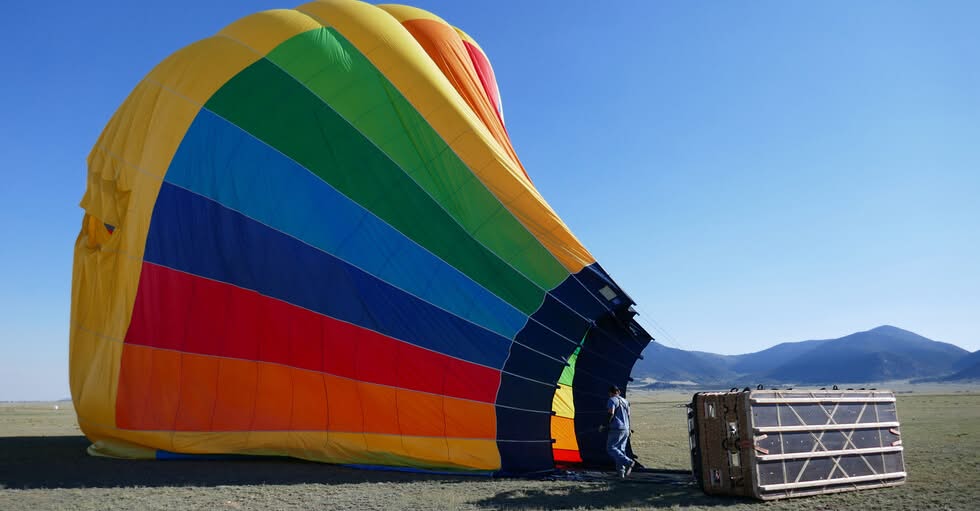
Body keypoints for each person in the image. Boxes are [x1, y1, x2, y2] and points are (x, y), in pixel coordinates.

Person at [600, 385, 635, 478]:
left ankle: (629, 462)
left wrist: (604, 425)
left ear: (610, 393)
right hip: (626, 429)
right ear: (618, 392)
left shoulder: (612, 400)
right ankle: (621, 474)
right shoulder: (626, 401)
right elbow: (628, 416)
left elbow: (611, 413)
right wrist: (629, 428)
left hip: (617, 428)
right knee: (620, 450)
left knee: (611, 448)